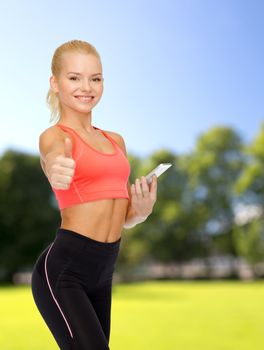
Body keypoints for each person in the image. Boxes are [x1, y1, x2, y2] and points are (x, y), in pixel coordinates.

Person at [31, 39, 157, 350]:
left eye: (95, 78)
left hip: (104, 270)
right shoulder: (55, 136)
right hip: (65, 270)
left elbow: (119, 215)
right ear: (55, 83)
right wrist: (55, 167)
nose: (87, 87)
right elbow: (52, 157)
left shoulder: (116, 141)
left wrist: (139, 212)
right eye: (74, 77)